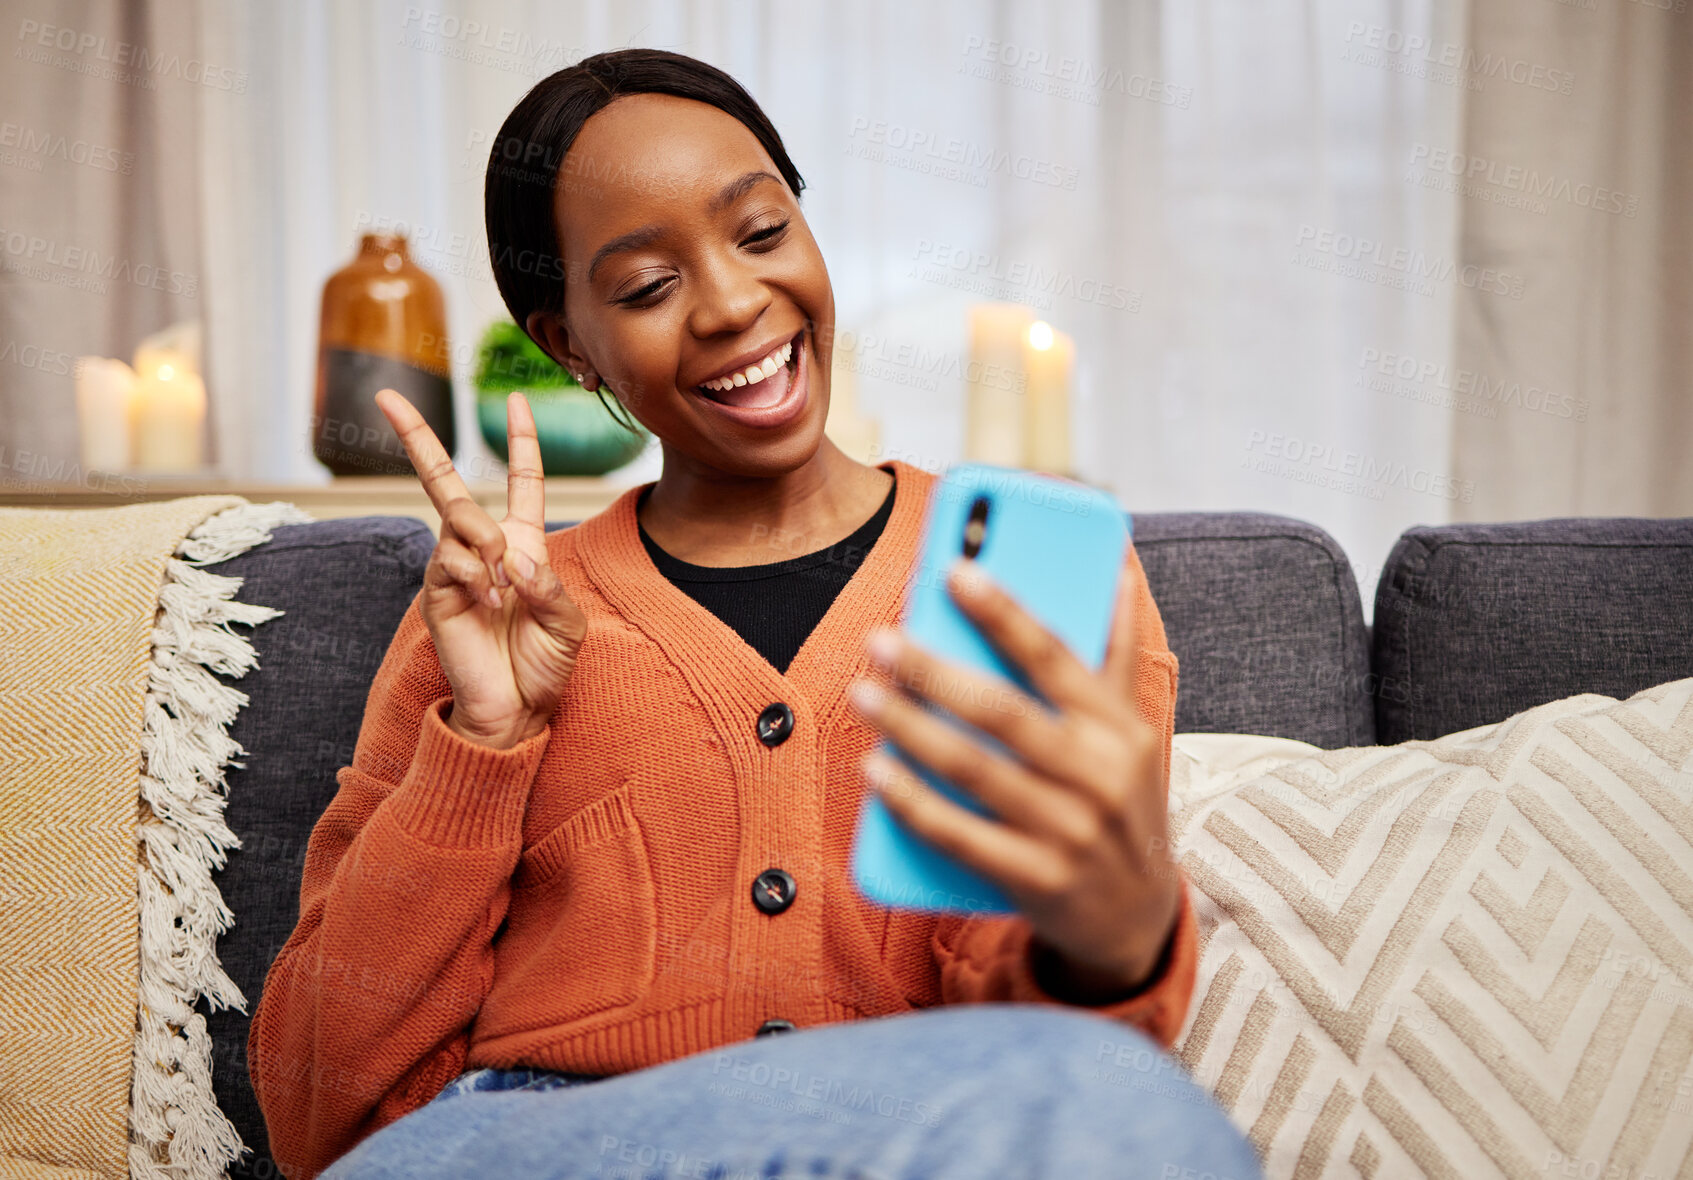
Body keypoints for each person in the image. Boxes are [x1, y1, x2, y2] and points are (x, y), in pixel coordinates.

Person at [248, 48, 1261, 1180]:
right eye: (645, 287)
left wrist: (1113, 942)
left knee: (1136, 1113)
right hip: (529, 1142)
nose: (733, 304)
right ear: (568, 343)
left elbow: (1048, 1069)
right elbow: (318, 1114)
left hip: (891, 1132)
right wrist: (483, 745)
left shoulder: (1027, 587)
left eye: (763, 232)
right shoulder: (488, 621)